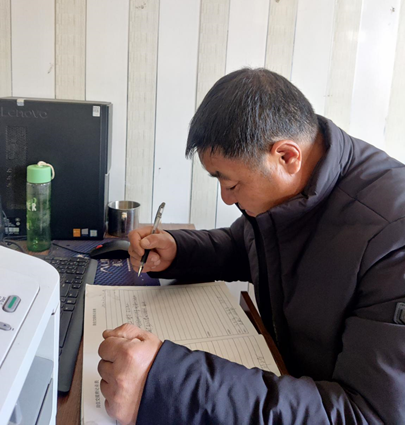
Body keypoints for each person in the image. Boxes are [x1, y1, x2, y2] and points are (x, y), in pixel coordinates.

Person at [97, 68, 405, 425]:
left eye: (231, 184)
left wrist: (164, 383)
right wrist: (179, 250)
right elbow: (245, 245)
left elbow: (367, 415)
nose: (226, 199)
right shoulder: (299, 183)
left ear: (286, 157)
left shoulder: (393, 240)